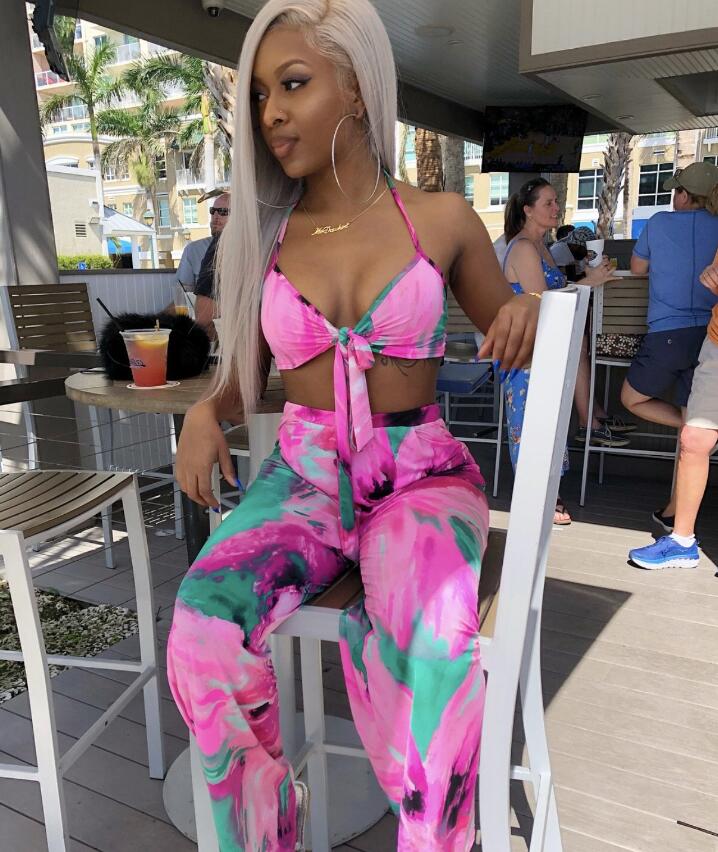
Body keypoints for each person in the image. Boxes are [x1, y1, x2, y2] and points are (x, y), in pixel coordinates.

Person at [168, 2, 541, 849]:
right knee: (201, 626)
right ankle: (264, 833)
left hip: (420, 473)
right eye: (260, 95)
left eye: (293, 84)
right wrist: (206, 408)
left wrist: (528, 309)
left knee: (428, 630)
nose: (271, 113)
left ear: (359, 89)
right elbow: (246, 379)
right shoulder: (262, 237)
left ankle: (435, 838)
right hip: (301, 475)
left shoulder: (441, 218)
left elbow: (514, 323)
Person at [501, 178, 616, 525]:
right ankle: (537, 497)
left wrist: (587, 276)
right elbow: (543, 301)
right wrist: (588, 282)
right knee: (531, 421)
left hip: (543, 344)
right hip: (526, 347)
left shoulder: (541, 246)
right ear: (528, 209)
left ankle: (547, 491)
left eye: (556, 202)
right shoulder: (524, 247)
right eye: (549, 203)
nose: (556, 208)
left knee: (547, 421)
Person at [621, 161, 718, 528]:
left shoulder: (659, 222)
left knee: (631, 399)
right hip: (710, 336)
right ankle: (673, 512)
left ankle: (694, 426)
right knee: (693, 430)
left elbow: (637, 269)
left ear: (684, 195)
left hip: (667, 334)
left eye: (676, 190)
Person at [629, 248, 718, 568]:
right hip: (715, 341)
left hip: (672, 336)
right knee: (693, 438)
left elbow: (637, 266)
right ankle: (682, 541)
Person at [194, 191, 232, 331]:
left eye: (223, 212)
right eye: (213, 211)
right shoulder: (257, 243)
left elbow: (205, 318)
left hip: (223, 336)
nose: (216, 217)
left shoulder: (220, 246)